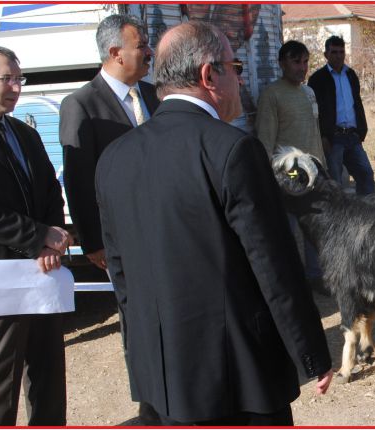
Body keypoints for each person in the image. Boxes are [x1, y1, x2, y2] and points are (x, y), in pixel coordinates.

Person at [94, 22, 333, 425]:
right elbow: (274, 266)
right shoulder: (233, 150)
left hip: (161, 377)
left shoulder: (114, 157)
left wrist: (144, 359)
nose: (240, 78)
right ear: (209, 75)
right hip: (237, 381)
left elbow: (122, 279)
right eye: (234, 66)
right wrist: (312, 353)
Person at [0, 45, 73, 426]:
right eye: (7, 79)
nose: (16, 88)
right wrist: (37, 237)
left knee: (49, 372)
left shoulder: (23, 132)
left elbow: (51, 188)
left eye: (20, 79)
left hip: (41, 273)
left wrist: (53, 237)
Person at [60, 14, 158, 272]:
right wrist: (92, 241)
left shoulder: (154, 94)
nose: (150, 52)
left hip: (163, 225)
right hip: (120, 234)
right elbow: (78, 179)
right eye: (141, 46)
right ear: (116, 53)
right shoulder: (81, 105)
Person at [254, 40, 326, 293]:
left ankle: (315, 276)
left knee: (314, 227)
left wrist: (322, 167)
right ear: (282, 63)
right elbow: (265, 140)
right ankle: (291, 282)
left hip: (314, 173)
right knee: (288, 230)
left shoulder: (309, 93)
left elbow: (314, 133)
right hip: (290, 173)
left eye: (306, 62)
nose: (302, 68)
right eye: (297, 62)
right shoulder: (272, 95)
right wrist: (271, 178)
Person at [307, 35, 375, 195]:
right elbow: (314, 112)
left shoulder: (351, 75)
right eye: (334, 52)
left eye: (341, 52)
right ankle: (339, 218)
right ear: (326, 54)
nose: (338, 56)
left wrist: (361, 130)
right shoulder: (318, 79)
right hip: (333, 138)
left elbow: (357, 104)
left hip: (353, 136)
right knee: (335, 182)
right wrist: (323, 136)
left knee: (366, 174)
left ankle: (366, 212)